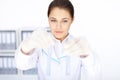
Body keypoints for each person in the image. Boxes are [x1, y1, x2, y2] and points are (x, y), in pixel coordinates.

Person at [15, 0, 101, 80]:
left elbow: (94, 76)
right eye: (53, 20)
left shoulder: (79, 46)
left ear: (72, 20)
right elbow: (21, 65)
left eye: (64, 21)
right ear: (48, 19)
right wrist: (26, 47)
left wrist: (87, 56)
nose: (58, 26)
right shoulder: (40, 43)